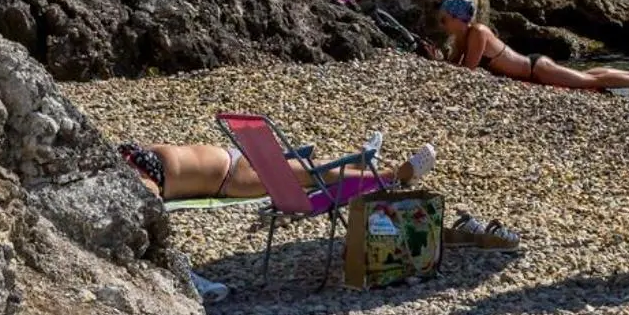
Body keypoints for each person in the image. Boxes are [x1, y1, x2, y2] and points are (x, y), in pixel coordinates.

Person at [432, 0, 629, 93]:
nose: (442, 25)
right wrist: (439, 60)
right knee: (586, 75)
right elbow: (454, 67)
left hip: (536, 70)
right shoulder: (462, 38)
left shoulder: (478, 33)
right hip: (533, 70)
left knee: (588, 81)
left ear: (457, 19)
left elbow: (467, 69)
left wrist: (444, 63)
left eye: (444, 20)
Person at [117, 137, 436, 202]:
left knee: (310, 168)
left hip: (234, 157)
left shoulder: (116, 160)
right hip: (232, 179)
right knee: (315, 175)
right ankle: (395, 176)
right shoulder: (133, 182)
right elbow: (149, 202)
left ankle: (358, 163)